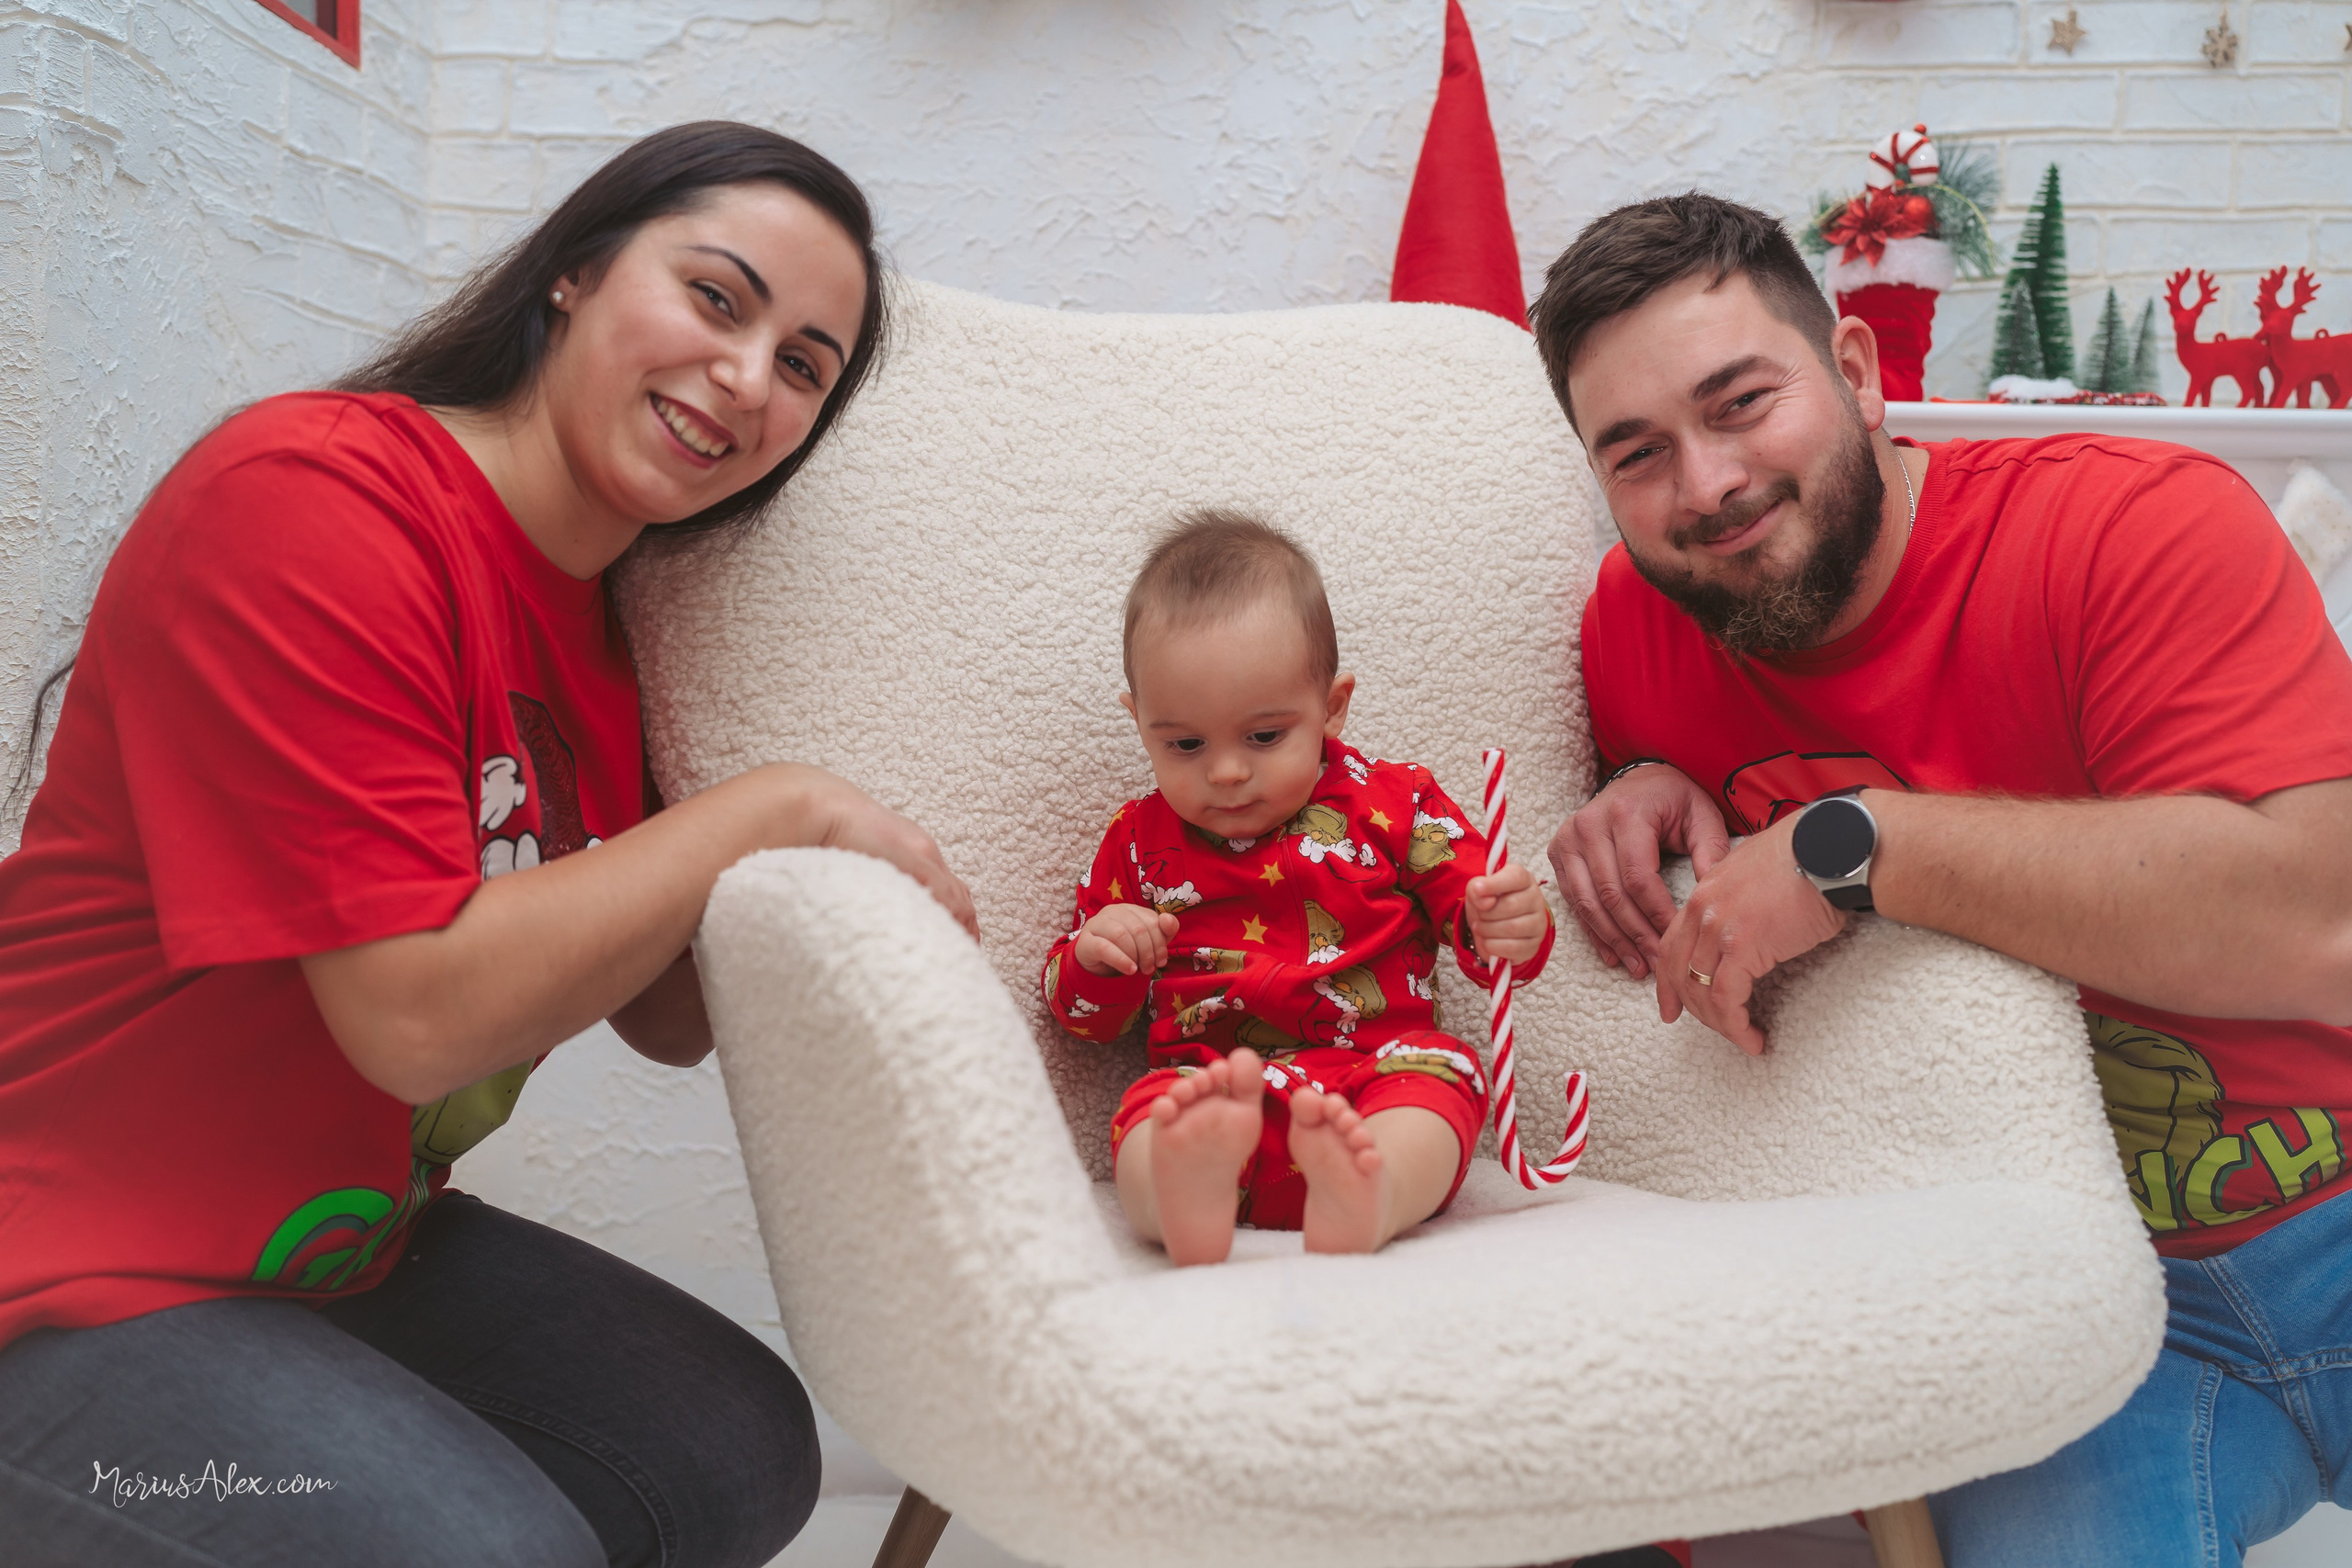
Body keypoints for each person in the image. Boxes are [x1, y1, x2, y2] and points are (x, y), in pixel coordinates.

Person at [0, 121, 978, 1568]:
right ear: (576, 272)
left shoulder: (608, 624)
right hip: (59, 1268)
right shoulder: (315, 502)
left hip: (325, 1251)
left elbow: (662, 1013)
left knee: (741, 1445)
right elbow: (415, 1018)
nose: (747, 377)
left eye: (802, 367)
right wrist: (775, 807)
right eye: (718, 298)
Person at [1532, 194, 2352, 1566]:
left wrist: (1864, 846)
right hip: (2068, 1316)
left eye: (1742, 402)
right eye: (1638, 453)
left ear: (1858, 370)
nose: (1708, 483)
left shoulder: (2127, 525)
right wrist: (1626, 789)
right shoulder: (1634, 629)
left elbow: (2321, 921)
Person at [1042, 511, 1555, 1265]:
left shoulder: (1396, 802)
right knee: (1147, 1119)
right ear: (1139, 720)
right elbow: (1080, 1016)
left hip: (1379, 1077)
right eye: (1183, 743)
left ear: (1332, 706)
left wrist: (1511, 921)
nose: (1224, 771)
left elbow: (1487, 935)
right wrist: (1098, 953)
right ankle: (1186, 1197)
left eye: (1263, 736)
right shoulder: (1138, 841)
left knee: (1447, 1080)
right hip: (1212, 1090)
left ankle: (1370, 1193)